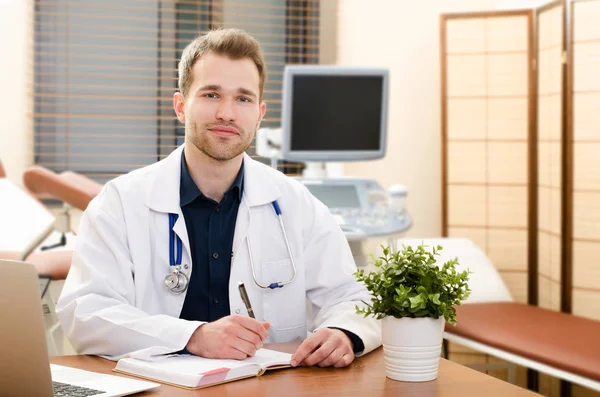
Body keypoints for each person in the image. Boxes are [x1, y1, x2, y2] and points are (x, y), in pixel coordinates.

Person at [56, 28, 381, 368]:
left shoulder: (296, 204)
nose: (227, 113)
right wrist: (192, 337)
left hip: (269, 387)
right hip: (158, 386)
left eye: (243, 99)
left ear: (259, 113)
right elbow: (87, 311)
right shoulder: (120, 203)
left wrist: (344, 331)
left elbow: (350, 295)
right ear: (181, 106)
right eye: (211, 95)